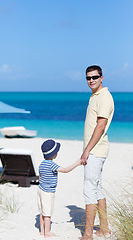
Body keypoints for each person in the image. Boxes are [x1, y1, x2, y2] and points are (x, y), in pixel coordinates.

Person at [79, 65, 114, 240]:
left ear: (102, 77)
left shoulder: (104, 97)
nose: (91, 80)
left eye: (95, 77)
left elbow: (100, 126)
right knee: (97, 189)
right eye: (88, 78)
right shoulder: (95, 96)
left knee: (89, 190)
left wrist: (86, 151)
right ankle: (105, 229)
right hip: (95, 149)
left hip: (95, 150)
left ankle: (87, 234)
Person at [38, 139, 82, 238]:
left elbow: (40, 178)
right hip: (48, 192)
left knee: (42, 212)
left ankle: (42, 231)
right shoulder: (52, 165)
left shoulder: (42, 164)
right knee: (48, 213)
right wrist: (77, 163)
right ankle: (47, 232)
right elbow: (66, 170)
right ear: (55, 154)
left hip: (40, 190)